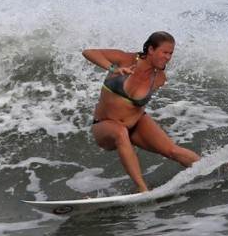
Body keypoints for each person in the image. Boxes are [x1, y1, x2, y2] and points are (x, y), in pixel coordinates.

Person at [83, 31, 200, 192]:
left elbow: (137, 105)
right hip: (105, 126)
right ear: (151, 50)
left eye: (171, 53)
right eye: (164, 52)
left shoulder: (159, 78)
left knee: (172, 150)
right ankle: (142, 189)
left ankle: (211, 169)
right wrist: (113, 68)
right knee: (120, 133)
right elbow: (88, 52)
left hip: (135, 124)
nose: (168, 57)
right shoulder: (124, 59)